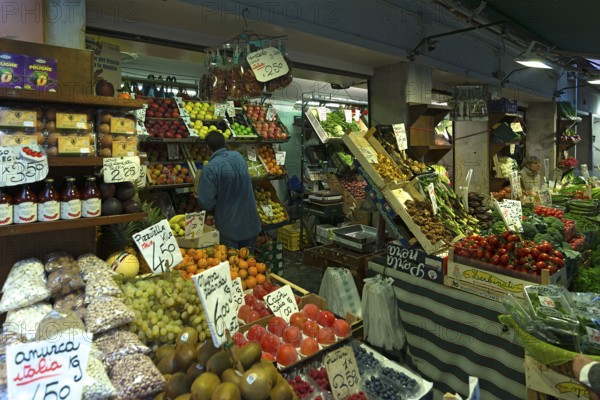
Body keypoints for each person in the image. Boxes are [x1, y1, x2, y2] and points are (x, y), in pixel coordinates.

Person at [197, 131, 261, 250]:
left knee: (233, 265)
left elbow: (206, 202)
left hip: (230, 228)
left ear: (207, 147)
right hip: (251, 223)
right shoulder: (239, 157)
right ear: (224, 143)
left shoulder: (210, 168)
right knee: (248, 264)